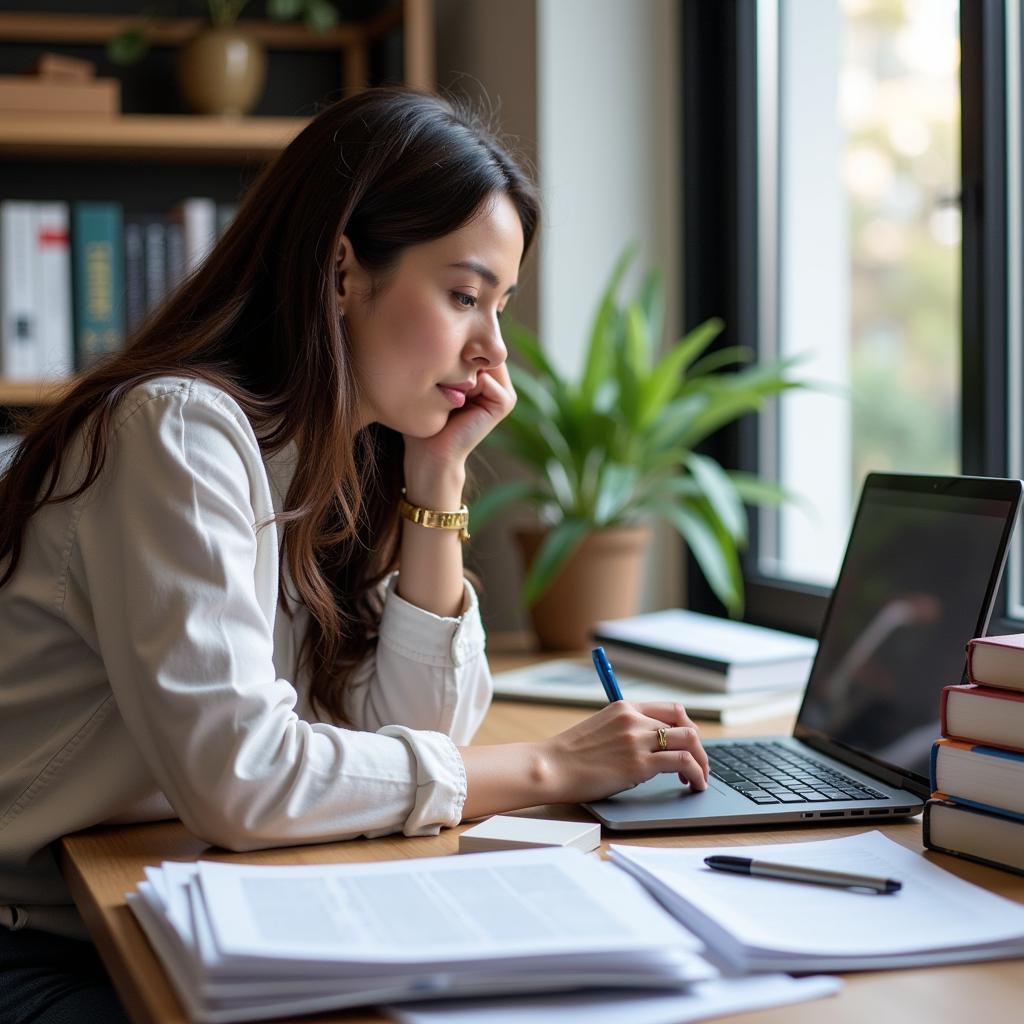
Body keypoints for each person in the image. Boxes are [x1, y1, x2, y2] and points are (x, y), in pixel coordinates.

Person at [0, 87, 708, 1021]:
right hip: (37, 944)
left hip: (152, 898)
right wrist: (553, 767)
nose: (493, 352)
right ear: (341, 271)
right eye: (464, 296)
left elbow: (416, 730)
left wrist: (438, 477)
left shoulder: (337, 452)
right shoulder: (177, 432)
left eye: (500, 307)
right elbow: (242, 782)